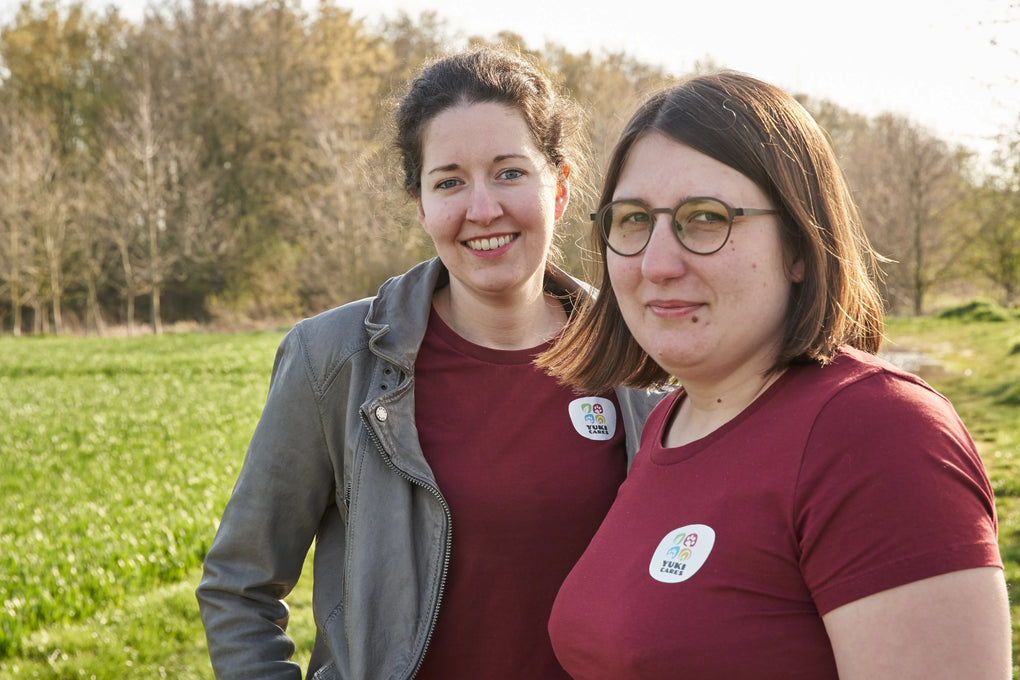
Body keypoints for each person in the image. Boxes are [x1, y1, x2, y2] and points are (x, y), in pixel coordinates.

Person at [195, 46, 662, 680]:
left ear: (560, 187)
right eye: (449, 181)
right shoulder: (332, 359)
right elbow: (239, 588)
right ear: (420, 205)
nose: (482, 208)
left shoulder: (640, 354)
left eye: (508, 172)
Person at [536, 71, 1010, 679]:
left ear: (798, 243)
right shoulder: (668, 422)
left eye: (705, 217)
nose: (656, 263)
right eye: (631, 220)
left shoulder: (877, 432)